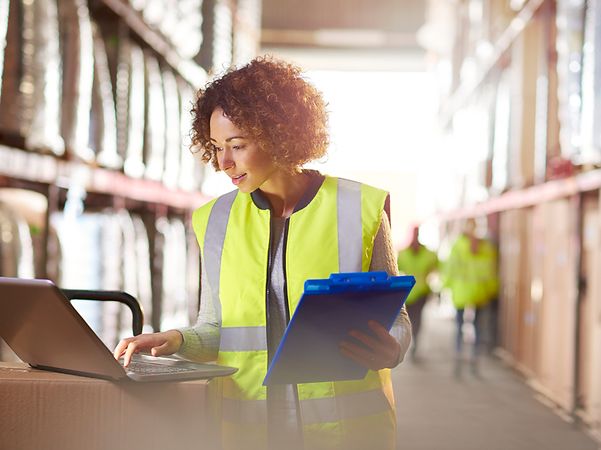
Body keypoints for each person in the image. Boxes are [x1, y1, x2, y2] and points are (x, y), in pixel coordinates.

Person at [113, 56, 412, 450]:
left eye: (237, 146)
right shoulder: (214, 219)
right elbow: (217, 328)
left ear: (279, 134)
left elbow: (399, 321)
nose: (223, 163)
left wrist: (391, 349)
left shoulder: (360, 207)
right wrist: (177, 340)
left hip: (346, 434)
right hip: (249, 431)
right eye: (216, 147)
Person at [442, 218, 498, 377]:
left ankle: (458, 356)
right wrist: (491, 290)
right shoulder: (486, 247)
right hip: (480, 293)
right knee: (477, 328)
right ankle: (474, 359)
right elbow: (491, 270)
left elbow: (450, 268)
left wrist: (446, 286)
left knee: (459, 327)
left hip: (461, 292)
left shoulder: (457, 246)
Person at [396, 224, 438, 360]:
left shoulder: (428, 253)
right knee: (409, 319)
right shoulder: (403, 253)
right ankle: (411, 343)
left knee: (418, 319)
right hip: (408, 294)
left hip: (421, 293)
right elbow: (394, 269)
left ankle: (416, 343)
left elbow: (436, 267)